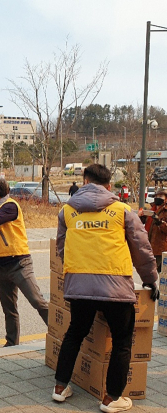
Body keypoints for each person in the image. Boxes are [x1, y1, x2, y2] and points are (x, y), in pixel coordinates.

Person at [53, 164, 159, 413]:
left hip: (78, 288)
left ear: (84, 181)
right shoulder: (122, 210)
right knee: (122, 341)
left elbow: (61, 249)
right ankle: (111, 399)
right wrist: (150, 278)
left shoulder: (67, 211)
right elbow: (141, 248)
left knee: (74, 334)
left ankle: (59, 388)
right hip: (116, 288)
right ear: (109, 186)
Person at [0, 176, 48, 347]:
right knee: (9, 309)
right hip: (1, 267)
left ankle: (62, 332)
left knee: (37, 301)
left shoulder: (10, 207)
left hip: (19, 264)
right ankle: (11, 343)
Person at [139, 190, 167, 272]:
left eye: (161, 196)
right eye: (156, 196)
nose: (158, 198)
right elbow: (142, 224)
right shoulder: (152, 209)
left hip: (161, 248)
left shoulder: (165, 211)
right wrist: (142, 217)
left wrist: (159, 222)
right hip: (150, 246)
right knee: (150, 271)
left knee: (160, 272)